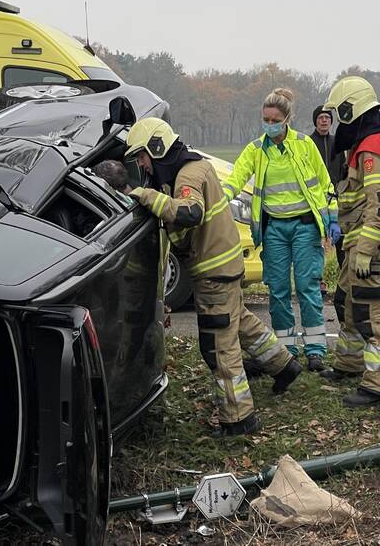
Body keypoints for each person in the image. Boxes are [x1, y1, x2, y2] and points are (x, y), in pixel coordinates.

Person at [124, 118, 301, 437]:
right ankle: (283, 365)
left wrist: (145, 197)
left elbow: (190, 212)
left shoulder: (188, 174)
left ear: (157, 147)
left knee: (219, 345)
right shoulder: (189, 169)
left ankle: (238, 418)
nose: (141, 164)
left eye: (142, 156)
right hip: (224, 265)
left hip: (213, 271)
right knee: (241, 321)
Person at [222, 89, 340, 372]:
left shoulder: (304, 145)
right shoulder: (255, 150)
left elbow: (325, 185)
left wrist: (332, 220)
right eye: (265, 119)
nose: (269, 124)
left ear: (287, 118)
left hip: (305, 227)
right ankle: (285, 351)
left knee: (307, 288)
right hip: (274, 229)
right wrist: (217, 200)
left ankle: (315, 351)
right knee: (277, 291)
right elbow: (235, 178)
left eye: (274, 119)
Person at [320, 76, 380, 408]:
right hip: (357, 246)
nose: (340, 121)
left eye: (341, 113)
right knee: (347, 300)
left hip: (373, 249)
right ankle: (350, 363)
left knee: (372, 314)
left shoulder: (371, 148)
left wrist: (366, 249)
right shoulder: (377, 141)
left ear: (350, 109)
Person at [311, 105, 347, 271]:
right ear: (315, 122)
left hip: (335, 199)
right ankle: (317, 279)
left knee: (340, 240)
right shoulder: (308, 143)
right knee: (314, 242)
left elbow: (343, 171)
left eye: (327, 118)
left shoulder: (337, 143)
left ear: (331, 121)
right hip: (314, 200)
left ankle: (343, 278)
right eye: (320, 118)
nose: (324, 120)